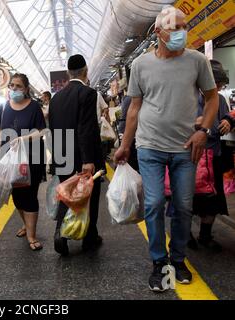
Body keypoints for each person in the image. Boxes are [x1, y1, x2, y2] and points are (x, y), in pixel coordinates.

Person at [114, 6, 219, 292]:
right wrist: (125, 145)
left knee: (184, 207)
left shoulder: (197, 61)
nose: (181, 33)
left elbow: (211, 100)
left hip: (186, 148)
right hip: (149, 146)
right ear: (158, 33)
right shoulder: (140, 66)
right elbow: (134, 109)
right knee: (154, 203)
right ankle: (160, 263)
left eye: (184, 27)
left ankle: (179, 259)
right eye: (175, 28)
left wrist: (203, 131)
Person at [49, 54, 103, 256]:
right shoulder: (88, 93)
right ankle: (89, 238)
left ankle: (59, 234)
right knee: (89, 196)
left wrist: (57, 159)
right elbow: (86, 128)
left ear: (67, 74)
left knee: (66, 194)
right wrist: (88, 160)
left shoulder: (55, 99)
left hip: (62, 155)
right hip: (83, 156)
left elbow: (53, 130)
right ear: (86, 71)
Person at [0, 73, 46, 251]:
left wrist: (24, 139)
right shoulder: (5, 106)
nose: (14, 89)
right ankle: (26, 224)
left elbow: (42, 131)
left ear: (26, 89)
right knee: (16, 197)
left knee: (29, 195)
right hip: (10, 159)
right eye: (12, 86)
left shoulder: (34, 107)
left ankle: (31, 234)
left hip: (32, 158)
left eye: (18, 86)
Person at [189, 59, 232, 252]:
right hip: (192, 157)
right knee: (186, 200)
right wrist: (196, 125)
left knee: (213, 202)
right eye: (217, 83)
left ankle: (205, 235)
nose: (220, 87)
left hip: (213, 155)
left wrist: (228, 122)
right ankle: (184, 234)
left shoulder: (220, 99)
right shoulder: (187, 97)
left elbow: (224, 119)